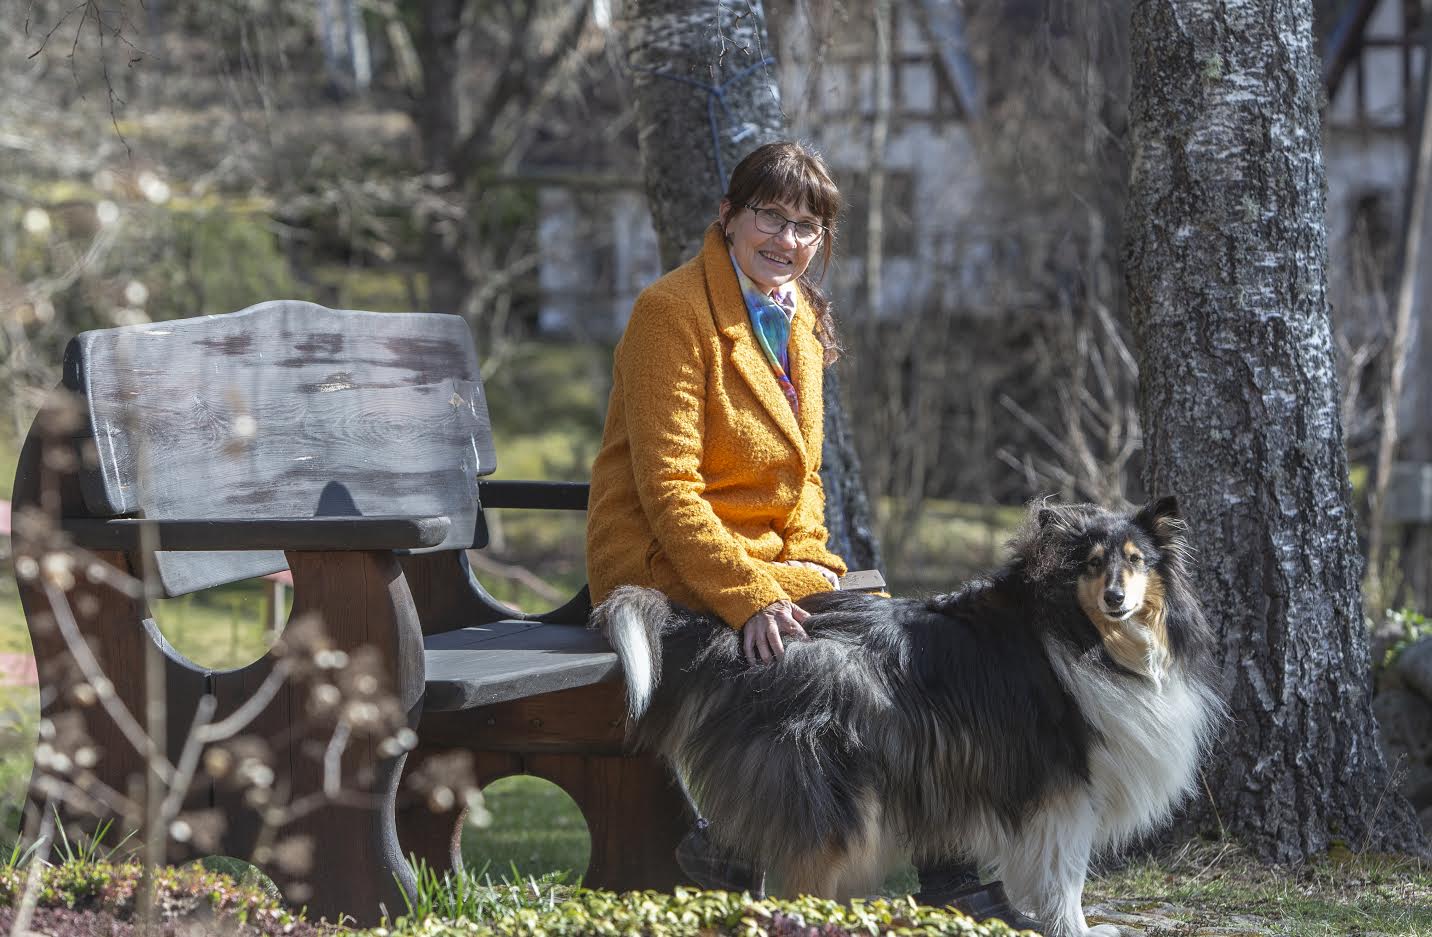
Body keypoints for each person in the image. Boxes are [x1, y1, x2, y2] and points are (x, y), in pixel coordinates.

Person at [585, 141, 1039, 932]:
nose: (787, 239)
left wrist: (816, 566)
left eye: (807, 225)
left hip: (777, 570)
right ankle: (740, 843)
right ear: (728, 216)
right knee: (836, 674)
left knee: (917, 654)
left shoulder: (800, 318)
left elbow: (804, 483)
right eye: (770, 215)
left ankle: (952, 877)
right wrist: (752, 594)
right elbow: (669, 493)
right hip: (669, 573)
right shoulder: (672, 312)